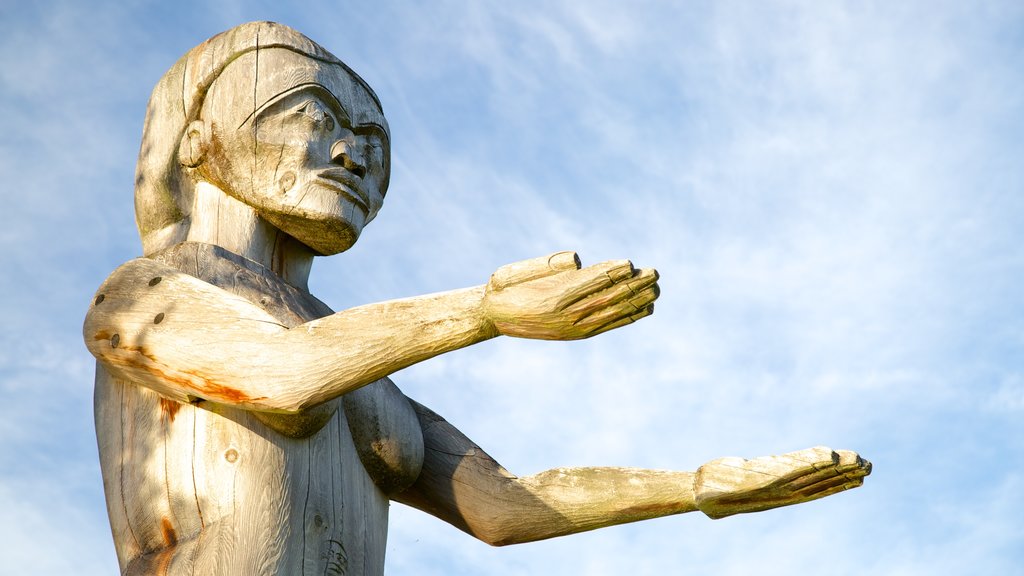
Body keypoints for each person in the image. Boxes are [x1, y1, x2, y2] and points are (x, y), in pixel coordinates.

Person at [84, 22, 870, 576]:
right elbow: (283, 375)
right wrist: (485, 312)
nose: (353, 153)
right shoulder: (144, 292)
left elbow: (502, 505)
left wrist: (695, 487)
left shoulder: (358, 358)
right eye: (309, 114)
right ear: (194, 140)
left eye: (375, 142)